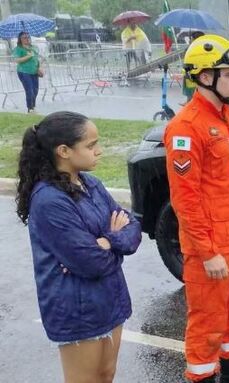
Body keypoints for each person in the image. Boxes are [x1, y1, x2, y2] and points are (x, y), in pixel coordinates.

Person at [164, 34, 229, 383]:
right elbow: (185, 199)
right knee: (208, 320)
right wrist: (208, 252)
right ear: (205, 76)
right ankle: (202, 377)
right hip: (210, 248)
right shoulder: (186, 127)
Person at [16, 111, 142, 383]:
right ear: (64, 151)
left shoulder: (91, 183)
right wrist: (112, 241)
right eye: (90, 145)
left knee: (106, 375)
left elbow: (133, 228)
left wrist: (108, 241)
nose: (99, 150)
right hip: (77, 308)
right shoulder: (49, 200)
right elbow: (90, 262)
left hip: (111, 298)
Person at [13, 31, 42, 114]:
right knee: (29, 90)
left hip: (34, 71)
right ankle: (30, 109)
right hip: (24, 72)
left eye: (28, 37)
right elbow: (17, 60)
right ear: (20, 39)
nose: (27, 39)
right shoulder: (18, 49)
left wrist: (39, 68)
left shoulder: (34, 47)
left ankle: (33, 106)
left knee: (35, 90)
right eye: (24, 37)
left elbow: (37, 59)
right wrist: (28, 56)